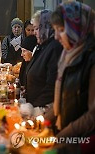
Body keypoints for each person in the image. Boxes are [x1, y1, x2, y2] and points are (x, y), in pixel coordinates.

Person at [49, 1, 95, 138]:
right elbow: (63, 100)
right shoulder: (67, 55)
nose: (56, 37)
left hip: (80, 141)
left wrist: (61, 137)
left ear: (78, 28)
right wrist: (43, 119)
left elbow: (92, 116)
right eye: (55, 30)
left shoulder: (91, 60)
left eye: (61, 30)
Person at [25, 10, 63, 109]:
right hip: (34, 105)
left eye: (37, 29)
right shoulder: (42, 45)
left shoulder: (54, 48)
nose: (35, 33)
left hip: (43, 108)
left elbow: (52, 86)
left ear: (47, 27)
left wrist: (35, 108)